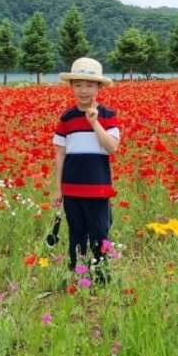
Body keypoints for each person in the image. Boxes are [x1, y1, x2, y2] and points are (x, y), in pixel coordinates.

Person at [52, 57, 120, 280]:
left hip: (97, 189)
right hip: (71, 188)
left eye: (89, 85)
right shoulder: (66, 118)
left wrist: (94, 122)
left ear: (99, 87)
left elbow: (112, 148)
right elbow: (60, 154)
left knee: (100, 233)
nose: (83, 90)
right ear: (71, 86)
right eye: (78, 85)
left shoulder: (109, 116)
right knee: (76, 234)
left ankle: (102, 277)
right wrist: (57, 189)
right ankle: (78, 277)